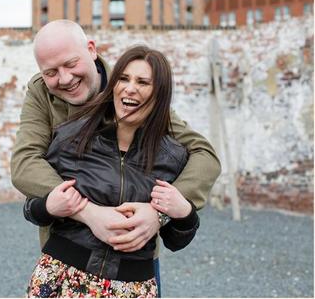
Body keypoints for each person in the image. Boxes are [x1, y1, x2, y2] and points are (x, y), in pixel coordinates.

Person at [11, 20, 221, 296]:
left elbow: (204, 156)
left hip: (133, 263)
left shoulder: (129, 90)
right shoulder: (41, 93)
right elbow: (25, 164)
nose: (64, 78)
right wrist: (88, 213)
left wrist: (158, 212)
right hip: (68, 260)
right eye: (51, 72)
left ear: (91, 49)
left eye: (70, 64)